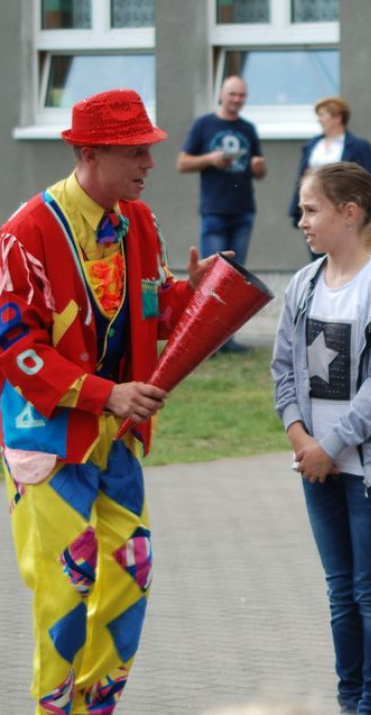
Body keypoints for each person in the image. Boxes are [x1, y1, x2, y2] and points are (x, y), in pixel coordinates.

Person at [0, 88, 223, 714]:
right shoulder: (27, 231)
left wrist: (192, 296)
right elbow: (12, 345)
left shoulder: (137, 221)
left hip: (114, 436)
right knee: (65, 593)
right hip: (48, 437)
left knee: (130, 575)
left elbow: (145, 311)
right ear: (89, 153)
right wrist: (106, 393)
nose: (151, 163)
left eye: (148, 150)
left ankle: (96, 708)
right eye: (135, 152)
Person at [271, 162, 371, 715]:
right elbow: (283, 367)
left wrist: (330, 446)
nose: (301, 221)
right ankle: (348, 698)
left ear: (349, 213)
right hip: (316, 464)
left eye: (311, 210)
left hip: (368, 470)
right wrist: (299, 436)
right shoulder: (303, 285)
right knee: (340, 593)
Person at [177, 75, 267, 352]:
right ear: (222, 95)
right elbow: (182, 163)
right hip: (214, 210)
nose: (237, 100)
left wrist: (258, 166)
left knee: (234, 280)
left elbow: (259, 172)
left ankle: (226, 340)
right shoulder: (204, 125)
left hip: (243, 211)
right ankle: (205, 339)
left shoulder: (248, 129)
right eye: (233, 95)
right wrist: (209, 159)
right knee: (213, 275)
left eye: (242, 95)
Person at [288, 97, 371, 228]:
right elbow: (302, 175)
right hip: (313, 204)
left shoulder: (359, 146)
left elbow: (370, 180)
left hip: (341, 205)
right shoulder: (312, 145)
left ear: (337, 117)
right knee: (316, 244)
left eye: (322, 115)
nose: (318, 119)